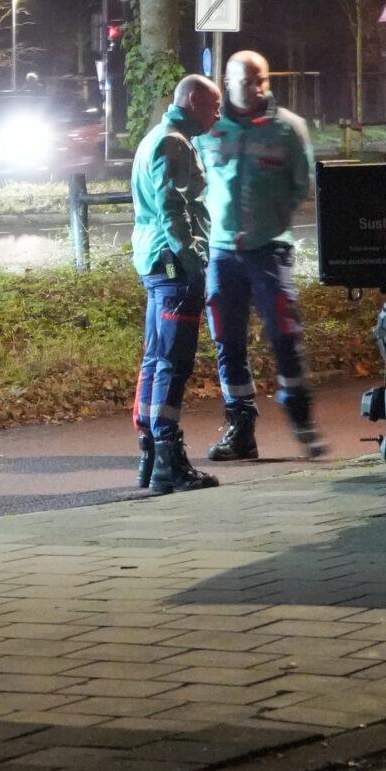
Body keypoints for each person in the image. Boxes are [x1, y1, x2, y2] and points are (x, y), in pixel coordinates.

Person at [199, 50, 322, 461]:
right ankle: (241, 430)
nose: (258, 88)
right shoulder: (209, 129)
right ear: (227, 82)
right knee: (227, 343)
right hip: (221, 254)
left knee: (286, 337)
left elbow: (300, 185)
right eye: (248, 80)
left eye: (262, 80)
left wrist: (270, 222)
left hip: (270, 252)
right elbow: (195, 181)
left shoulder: (288, 129)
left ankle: (302, 420)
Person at [130, 75, 224, 494]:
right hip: (173, 266)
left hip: (154, 261)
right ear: (191, 100)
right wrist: (194, 262)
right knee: (173, 360)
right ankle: (168, 459)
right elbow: (174, 210)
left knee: (155, 358)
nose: (218, 114)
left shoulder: (158, 136)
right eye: (213, 106)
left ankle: (151, 456)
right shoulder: (174, 143)